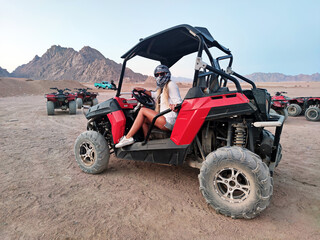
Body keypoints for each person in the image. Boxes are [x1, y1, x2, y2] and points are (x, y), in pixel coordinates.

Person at [115, 65, 182, 148]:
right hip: (165, 118)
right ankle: (148, 142)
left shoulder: (171, 85)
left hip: (169, 121)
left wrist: (175, 106)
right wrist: (143, 90)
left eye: (162, 74)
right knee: (144, 120)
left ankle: (128, 137)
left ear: (167, 74)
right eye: (157, 75)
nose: (159, 76)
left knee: (143, 110)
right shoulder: (162, 87)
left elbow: (179, 102)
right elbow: (155, 95)